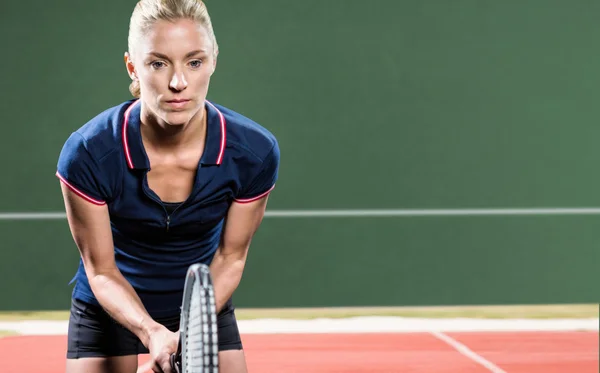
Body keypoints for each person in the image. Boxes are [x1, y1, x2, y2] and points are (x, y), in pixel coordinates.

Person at [55, 0, 280, 372]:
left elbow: (230, 258)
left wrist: (187, 333)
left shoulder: (253, 152)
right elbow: (101, 271)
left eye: (194, 62)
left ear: (213, 61)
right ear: (133, 66)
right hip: (111, 303)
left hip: (203, 304)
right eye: (158, 64)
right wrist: (152, 332)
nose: (179, 82)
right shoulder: (88, 152)